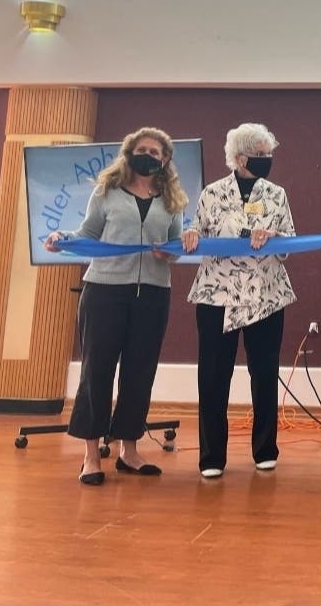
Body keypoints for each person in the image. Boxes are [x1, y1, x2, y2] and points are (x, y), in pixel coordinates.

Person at [44, 127, 187, 485]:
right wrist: (62, 238)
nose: (148, 156)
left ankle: (129, 451)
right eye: (143, 150)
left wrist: (169, 252)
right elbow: (88, 234)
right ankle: (91, 456)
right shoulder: (106, 192)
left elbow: (175, 247)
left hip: (153, 294)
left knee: (140, 372)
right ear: (129, 154)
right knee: (97, 371)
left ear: (165, 160)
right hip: (104, 291)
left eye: (155, 152)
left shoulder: (172, 201)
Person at [181, 123, 295, 479]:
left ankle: (265, 450)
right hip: (218, 295)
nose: (267, 159)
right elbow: (197, 231)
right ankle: (211, 457)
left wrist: (274, 236)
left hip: (265, 295)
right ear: (241, 158)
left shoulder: (276, 194)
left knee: (265, 374)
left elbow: (290, 242)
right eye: (261, 154)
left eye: (269, 153)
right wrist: (190, 234)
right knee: (213, 376)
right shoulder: (212, 193)